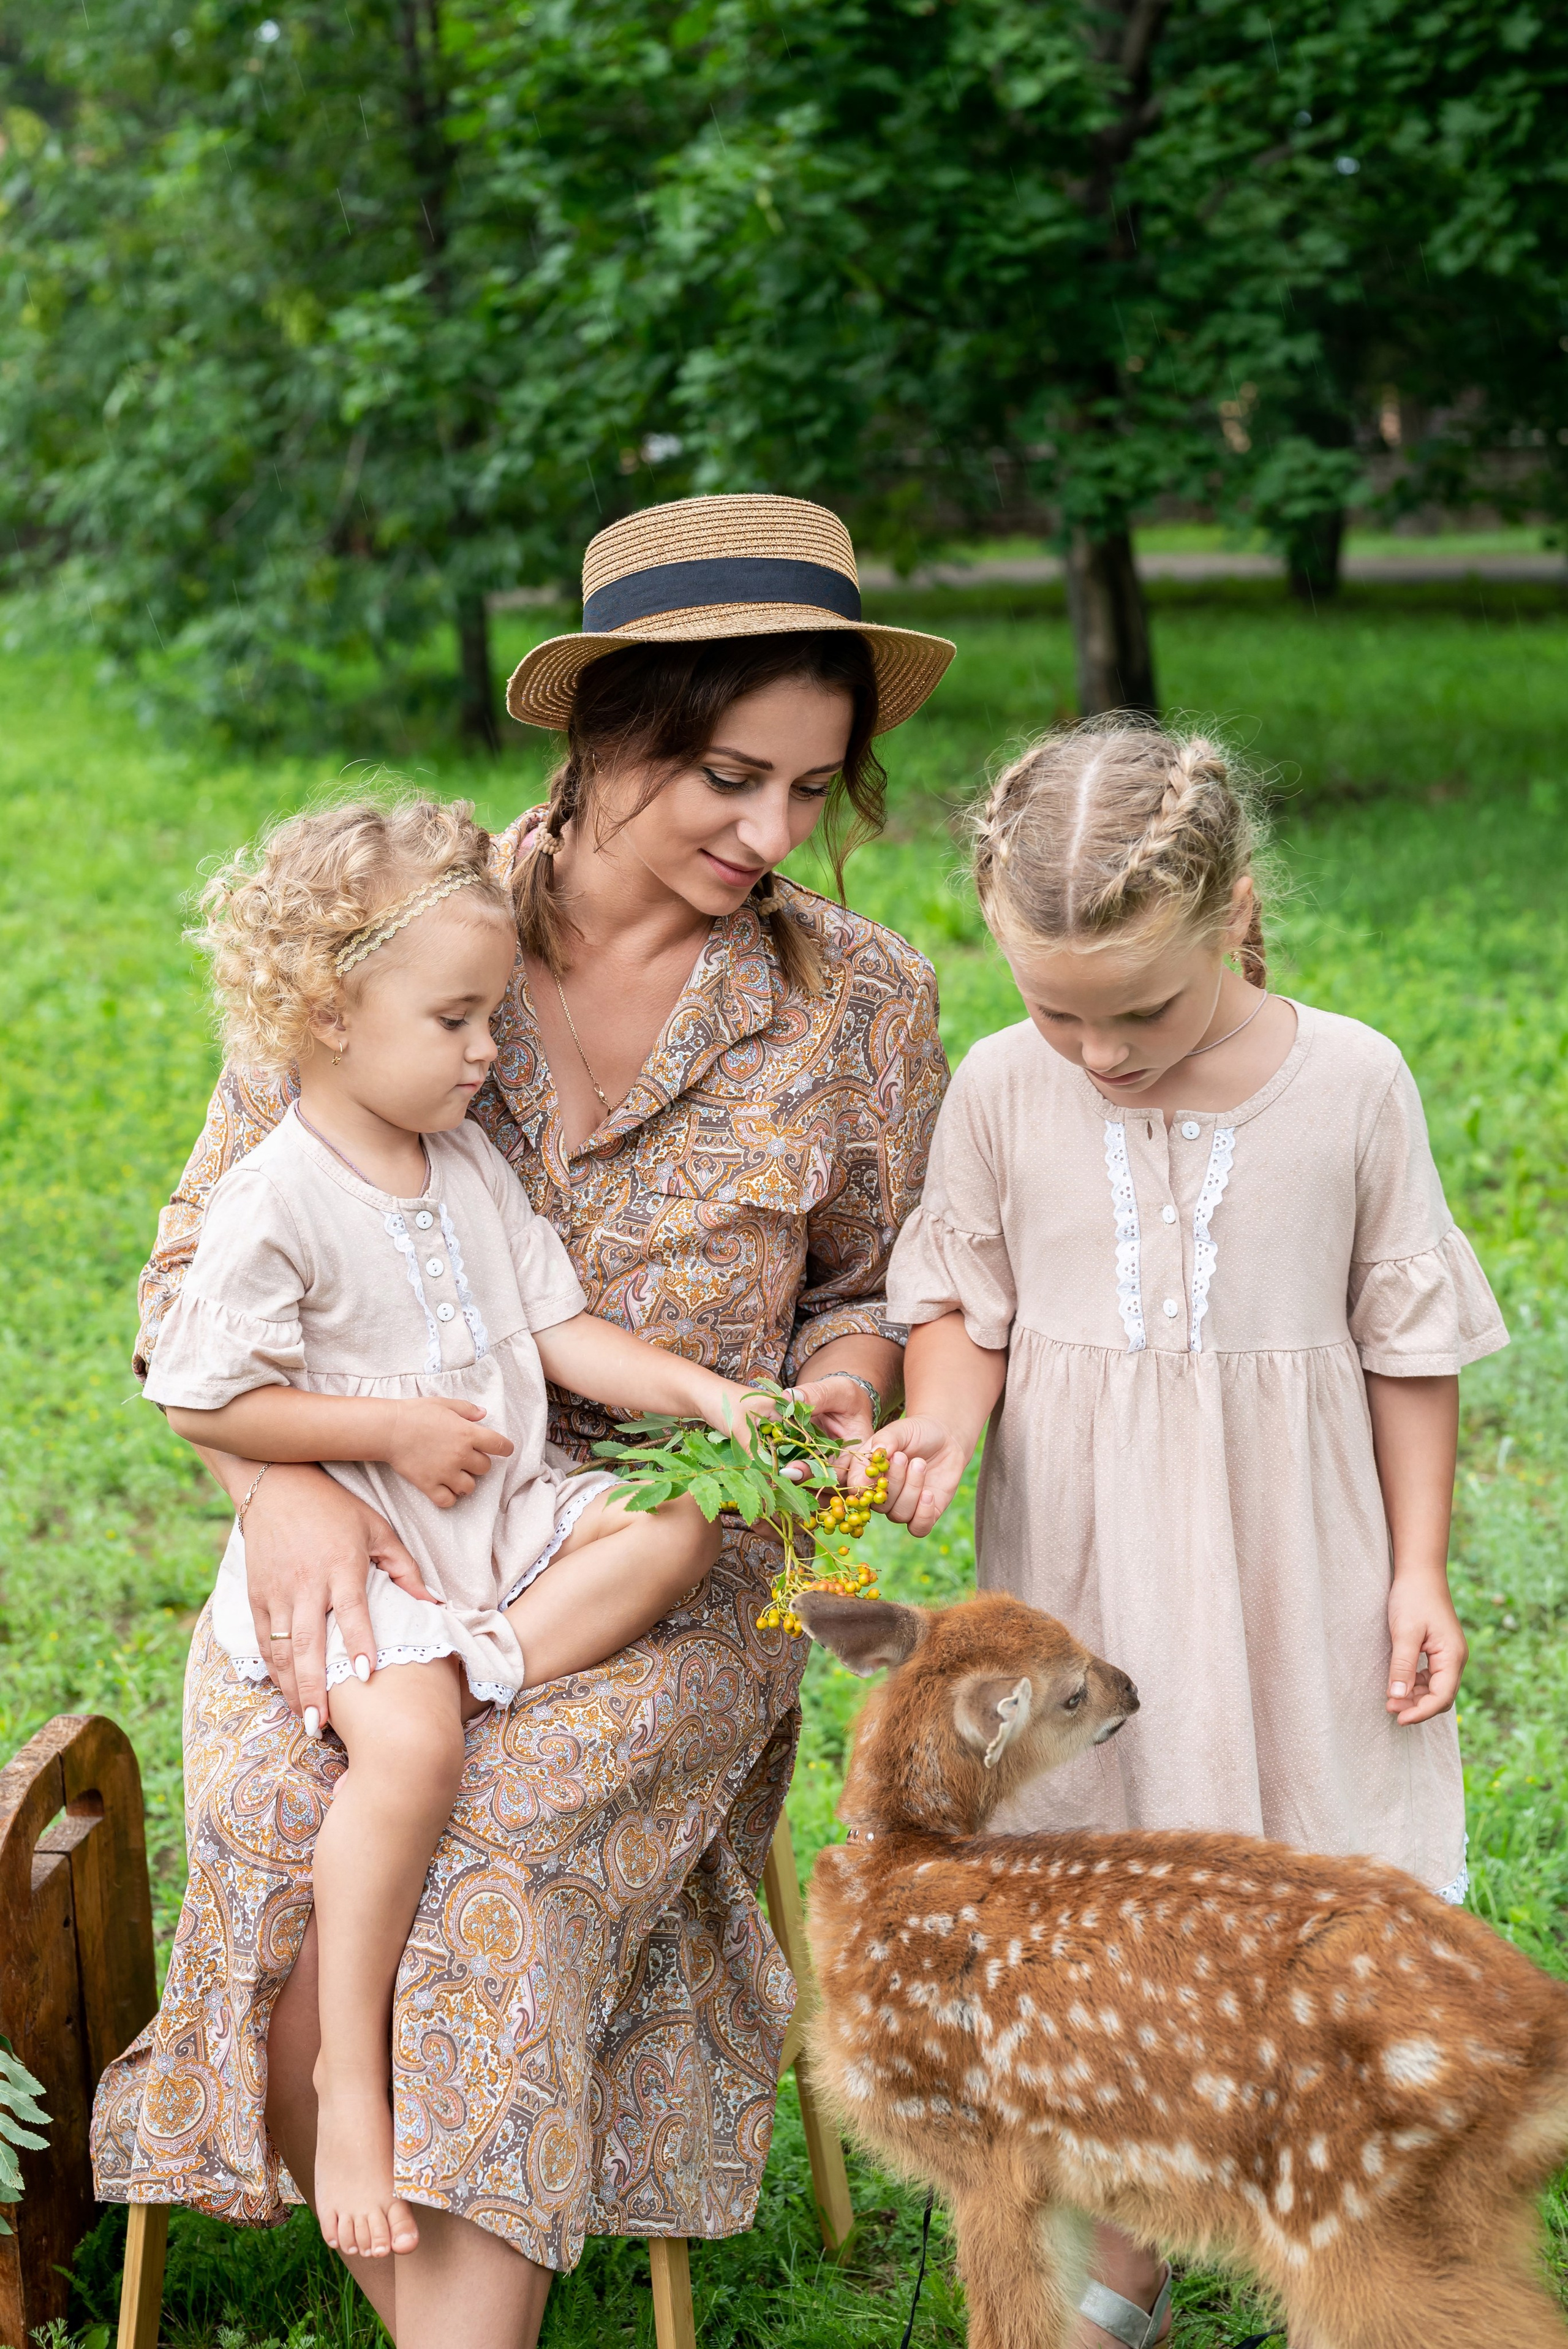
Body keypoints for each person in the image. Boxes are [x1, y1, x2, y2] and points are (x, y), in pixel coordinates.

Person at [92, 491, 952, 2349]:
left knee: (501, 1837)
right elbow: (187, 1298)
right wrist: (279, 1489)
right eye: (728, 777)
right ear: (605, 733)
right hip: (364, 1538)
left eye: (812, 790)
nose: (772, 835)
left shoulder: (862, 998)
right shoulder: (390, 928)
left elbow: (871, 1284)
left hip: (666, 1567)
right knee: (297, 1808)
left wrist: (830, 1393)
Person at [867, 717, 1507, 2349]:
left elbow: (1405, 1345)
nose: (1097, 1051)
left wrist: (1416, 1567)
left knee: (1311, 1892)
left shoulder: (1350, 1081)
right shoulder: (1001, 1089)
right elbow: (966, 1307)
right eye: (1056, 1009)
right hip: (1089, 1575)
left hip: (1296, 1570)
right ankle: (1129, 2250)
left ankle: (1349, 2235)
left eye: (1139, 1010)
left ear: (1232, 915)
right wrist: (941, 1417)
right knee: (1106, 1911)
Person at [148, 793, 786, 2261]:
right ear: (324, 1015)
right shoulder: (276, 1199)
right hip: (371, 1555)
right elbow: (199, 1396)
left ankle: (486, 1662)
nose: (486, 1051)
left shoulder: (461, 1166)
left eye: (492, 1017)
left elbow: (556, 1329)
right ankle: (348, 2079)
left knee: (679, 1522)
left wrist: (710, 1397)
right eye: (453, 1021)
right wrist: (384, 1433)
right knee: (413, 1750)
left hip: (494, 1530)